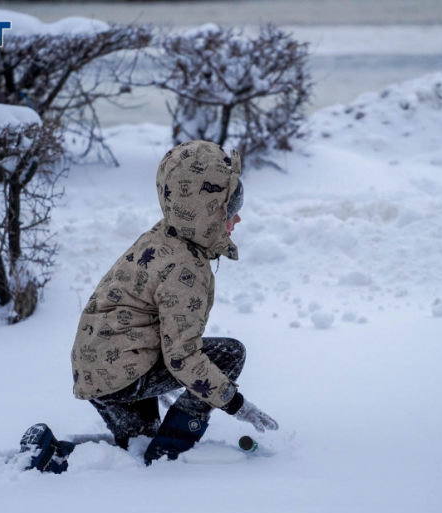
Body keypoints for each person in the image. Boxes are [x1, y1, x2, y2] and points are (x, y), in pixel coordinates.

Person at [20, 140, 279, 471]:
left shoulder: (164, 235)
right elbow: (182, 355)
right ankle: (169, 454)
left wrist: (166, 379)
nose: (237, 218)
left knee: (135, 446)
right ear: (207, 216)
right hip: (122, 374)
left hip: (98, 368)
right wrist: (234, 402)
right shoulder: (186, 267)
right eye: (230, 211)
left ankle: (49, 455)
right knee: (229, 354)